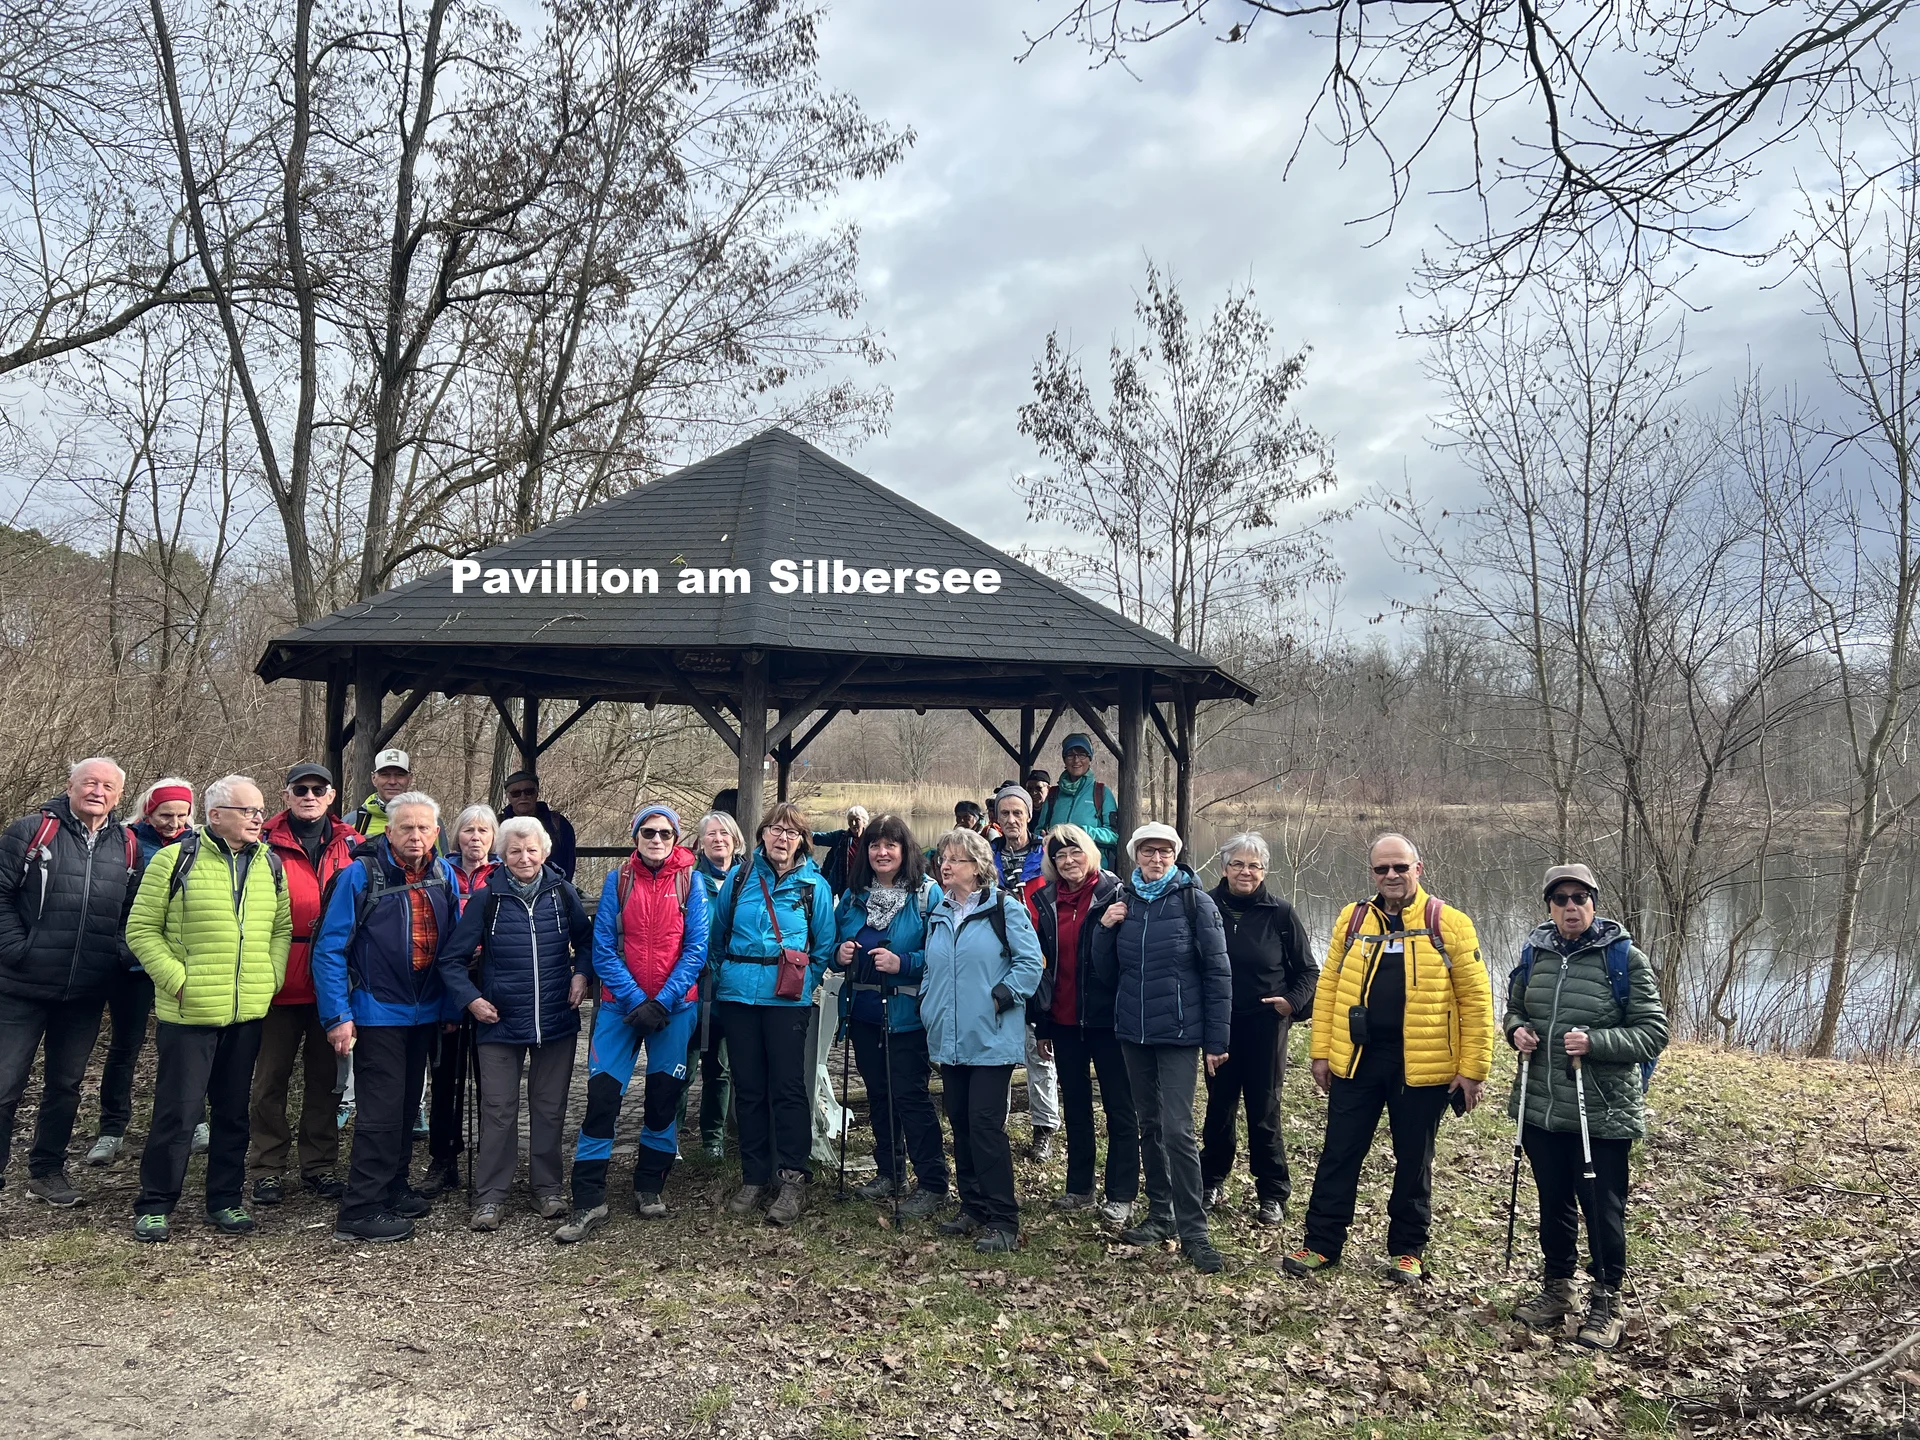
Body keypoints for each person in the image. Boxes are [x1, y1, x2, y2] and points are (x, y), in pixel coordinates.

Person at [1284, 832, 1495, 1283]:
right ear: (1372, 873)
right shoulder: (1353, 919)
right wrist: (1321, 1052)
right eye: (1382, 869)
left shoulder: (1449, 923)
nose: (1392, 876)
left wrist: (1472, 1070)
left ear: (1418, 869)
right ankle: (1321, 1244)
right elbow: (1329, 990)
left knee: (1413, 1158)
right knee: (1339, 1153)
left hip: (1423, 1064)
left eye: (1400, 867)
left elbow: (1476, 1000)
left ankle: (1408, 1249)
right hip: (1358, 1060)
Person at [1506, 863, 1669, 1349]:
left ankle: (1606, 1301)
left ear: (1594, 903)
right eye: (1561, 899)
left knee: (1602, 1208)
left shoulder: (1624, 958)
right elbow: (1514, 1009)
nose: (1571, 906)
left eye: (1580, 897)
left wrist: (1596, 1041)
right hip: (1542, 1106)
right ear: (1550, 907)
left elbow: (1653, 1033)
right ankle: (1558, 1290)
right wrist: (1516, 1030)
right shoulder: (1534, 953)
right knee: (1553, 1201)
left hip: (1601, 1110)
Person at [125, 775, 292, 1241]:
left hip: (247, 1011)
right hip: (189, 1013)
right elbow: (141, 930)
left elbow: (282, 928)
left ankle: (225, 1200)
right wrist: (179, 982)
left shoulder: (270, 865)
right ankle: (156, 1203)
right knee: (178, 1112)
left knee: (234, 1112)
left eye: (260, 811)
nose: (258, 818)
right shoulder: (174, 859)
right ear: (216, 816)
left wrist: (270, 977)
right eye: (248, 811)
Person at [311, 792, 462, 1243]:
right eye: (405, 828)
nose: (415, 836)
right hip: (376, 1011)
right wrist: (338, 1015)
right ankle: (361, 1207)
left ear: (436, 833)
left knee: (403, 1104)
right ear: (388, 831)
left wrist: (452, 1007)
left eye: (423, 828)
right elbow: (330, 949)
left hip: (425, 1011)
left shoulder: (443, 873)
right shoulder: (360, 875)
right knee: (379, 1109)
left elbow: (453, 946)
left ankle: (394, 1187)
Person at [556, 804, 708, 1241]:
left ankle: (649, 1185)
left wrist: (661, 1003)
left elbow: (696, 949)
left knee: (662, 1098)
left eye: (664, 833)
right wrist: (637, 999)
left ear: (675, 838)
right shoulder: (617, 881)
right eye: (648, 832)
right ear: (635, 836)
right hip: (620, 1008)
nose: (657, 839)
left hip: (673, 1009)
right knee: (602, 1097)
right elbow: (602, 946)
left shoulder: (690, 881)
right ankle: (588, 1199)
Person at [438, 815, 591, 1232]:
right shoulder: (488, 899)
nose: (524, 858)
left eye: (531, 850)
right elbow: (451, 960)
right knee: (499, 1110)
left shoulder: (563, 894)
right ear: (501, 856)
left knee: (549, 1109)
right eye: (515, 851)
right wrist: (471, 1000)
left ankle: (548, 1189)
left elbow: (590, 941)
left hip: (555, 1020)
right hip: (499, 1023)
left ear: (544, 852)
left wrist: (582, 974)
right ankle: (490, 1196)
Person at [0, 757, 141, 1207]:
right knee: (4, 1084)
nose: (98, 792)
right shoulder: (31, 833)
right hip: (21, 986)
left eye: (108, 786)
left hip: (85, 990)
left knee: (66, 1084)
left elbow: (133, 913)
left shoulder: (128, 844)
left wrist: (114, 953)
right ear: (70, 786)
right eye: (90, 783)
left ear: (120, 796)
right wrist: (17, 949)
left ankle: (46, 1171)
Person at [1092, 822, 1231, 1274]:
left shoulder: (1195, 902)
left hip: (1179, 1033)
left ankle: (1195, 1231)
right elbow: (1105, 973)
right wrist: (1104, 930)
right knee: (1148, 1124)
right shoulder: (1122, 902)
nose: (1157, 859)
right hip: (1133, 1032)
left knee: (1178, 1130)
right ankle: (1160, 1214)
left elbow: (1218, 973)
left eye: (1165, 852)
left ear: (1175, 856)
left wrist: (1217, 1039)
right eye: (1149, 852)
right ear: (1136, 856)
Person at [707, 801, 834, 1226]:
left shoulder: (814, 886)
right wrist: (727, 973)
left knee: (788, 1087)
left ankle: (793, 1176)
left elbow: (823, 946)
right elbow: (717, 935)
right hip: (739, 997)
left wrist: (801, 981)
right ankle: (754, 1174)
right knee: (749, 1087)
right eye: (775, 830)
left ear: (802, 841)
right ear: (762, 834)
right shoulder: (740, 878)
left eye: (791, 832)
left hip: (787, 1001)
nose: (782, 838)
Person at [921, 826, 1044, 1254]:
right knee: (959, 1120)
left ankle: (1003, 1218)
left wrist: (1003, 995)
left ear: (978, 868)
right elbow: (932, 969)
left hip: (990, 1037)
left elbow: (1031, 963)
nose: (946, 865)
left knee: (985, 1124)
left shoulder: (1003, 909)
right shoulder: (939, 911)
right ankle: (972, 1207)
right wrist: (927, 1000)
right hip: (949, 1037)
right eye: (943, 859)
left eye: (955, 859)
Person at [247, 765, 358, 1206]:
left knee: (326, 1078)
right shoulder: (263, 841)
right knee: (269, 1080)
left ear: (331, 795)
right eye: (300, 789)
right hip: (277, 976)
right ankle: (267, 1167)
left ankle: (319, 1165)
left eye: (318, 789)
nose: (309, 796)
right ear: (287, 794)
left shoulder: (351, 844)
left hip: (333, 980)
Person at [831, 814, 947, 1218]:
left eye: (890, 845)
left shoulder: (926, 896)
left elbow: (941, 955)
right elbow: (832, 944)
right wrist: (839, 954)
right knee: (879, 1094)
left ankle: (932, 1182)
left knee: (911, 1096)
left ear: (905, 850)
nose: (882, 852)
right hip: (863, 1011)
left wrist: (904, 963)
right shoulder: (853, 897)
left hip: (906, 1013)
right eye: (875, 845)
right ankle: (890, 1171)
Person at [1202, 833, 1317, 1226]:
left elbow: (1308, 971)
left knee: (1264, 1110)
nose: (1245, 872)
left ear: (1264, 871)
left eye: (1253, 865)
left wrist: (1291, 1002)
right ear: (1224, 868)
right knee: (1219, 1107)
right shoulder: (1206, 906)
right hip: (1219, 1025)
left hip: (1266, 1026)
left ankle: (1272, 1193)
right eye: (1237, 864)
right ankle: (1211, 1180)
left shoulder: (1280, 913)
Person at [1027, 823, 1135, 1226]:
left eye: (1075, 852)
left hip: (1109, 1021)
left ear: (1090, 853)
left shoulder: (1116, 894)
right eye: (1059, 856)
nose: (1069, 861)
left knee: (1120, 1108)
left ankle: (1121, 1193)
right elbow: (1042, 968)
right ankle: (1080, 1188)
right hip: (1064, 1018)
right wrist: (1043, 1025)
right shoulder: (1047, 901)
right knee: (1075, 1106)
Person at [85, 777, 193, 1167]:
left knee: (183, 1047)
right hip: (130, 962)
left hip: (178, 961)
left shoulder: (196, 844)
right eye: (166, 815)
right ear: (149, 811)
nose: (174, 823)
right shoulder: (126, 842)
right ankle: (111, 1128)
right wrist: (120, 947)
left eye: (182, 815)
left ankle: (193, 1119)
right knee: (125, 1047)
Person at [419, 803, 500, 1196]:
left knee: (490, 1079)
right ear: (456, 835)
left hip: (491, 983)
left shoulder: (503, 874)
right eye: (468, 830)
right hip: (448, 984)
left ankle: (491, 1157)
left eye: (484, 831)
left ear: (493, 838)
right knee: (446, 1078)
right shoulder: (439, 873)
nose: (476, 838)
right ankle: (443, 1158)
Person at [988, 783, 1058, 1162]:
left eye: (1018, 813)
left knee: (1039, 1047)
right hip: (995, 961)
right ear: (995, 819)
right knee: (995, 1047)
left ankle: (1043, 1126)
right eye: (1005, 814)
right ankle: (990, 1122)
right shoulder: (985, 855)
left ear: (1029, 815)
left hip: (1038, 960)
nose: (1011, 820)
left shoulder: (1048, 855)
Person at [680, 810, 743, 1159]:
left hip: (729, 988)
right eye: (711, 834)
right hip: (692, 988)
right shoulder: (688, 880)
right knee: (681, 1067)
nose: (718, 839)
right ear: (700, 842)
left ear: (735, 839)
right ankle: (669, 1137)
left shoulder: (748, 879)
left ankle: (712, 1139)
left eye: (725, 833)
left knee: (720, 1069)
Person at [1035, 735, 1120, 870]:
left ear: (1090, 758)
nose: (1076, 760)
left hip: (1093, 870)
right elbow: (1039, 831)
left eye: (1081, 755)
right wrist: (1044, 837)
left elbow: (1114, 836)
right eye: (1070, 755)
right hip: (1058, 869)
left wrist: (1082, 832)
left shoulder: (1101, 793)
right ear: (1064, 759)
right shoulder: (1053, 794)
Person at [499, 770, 577, 881]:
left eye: (529, 791)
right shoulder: (498, 825)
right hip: (506, 890)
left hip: (552, 888)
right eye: (516, 793)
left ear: (537, 793)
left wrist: (560, 890)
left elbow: (568, 863)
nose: (523, 797)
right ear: (508, 797)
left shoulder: (558, 823)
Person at [350, 749, 416, 837]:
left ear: (410, 779)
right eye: (385, 775)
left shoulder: (429, 822)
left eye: (399, 775)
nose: (392, 781)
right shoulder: (353, 822)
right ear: (374, 779)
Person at [810, 806, 868, 896]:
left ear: (864, 821)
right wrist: (797, 832)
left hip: (864, 886)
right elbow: (818, 838)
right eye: (850, 820)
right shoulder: (840, 837)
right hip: (843, 886)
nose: (853, 824)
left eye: (857, 820)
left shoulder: (871, 840)